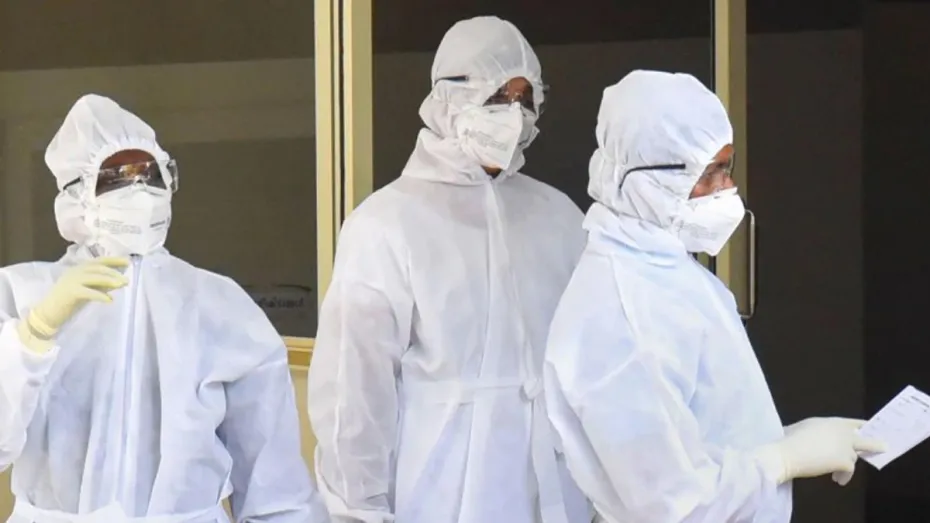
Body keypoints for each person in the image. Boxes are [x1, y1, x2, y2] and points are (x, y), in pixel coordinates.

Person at [542, 70, 886, 523]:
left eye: (727, 167)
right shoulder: (621, 314)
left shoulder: (667, 270)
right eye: (708, 174)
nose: (726, 189)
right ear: (642, 179)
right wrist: (784, 459)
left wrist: (785, 440)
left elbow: (697, 432)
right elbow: (674, 504)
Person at [307, 15, 591, 523]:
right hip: (440, 494)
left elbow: (590, 362)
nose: (515, 114)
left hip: (553, 494)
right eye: (498, 96)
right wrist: (359, 510)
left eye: (525, 98)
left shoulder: (559, 218)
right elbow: (356, 390)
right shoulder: (387, 223)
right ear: (448, 98)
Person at [0, 94, 330, 523]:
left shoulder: (220, 305)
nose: (140, 191)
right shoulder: (20, 292)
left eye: (151, 175)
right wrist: (32, 336)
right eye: (117, 178)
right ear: (76, 194)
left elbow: (275, 487)